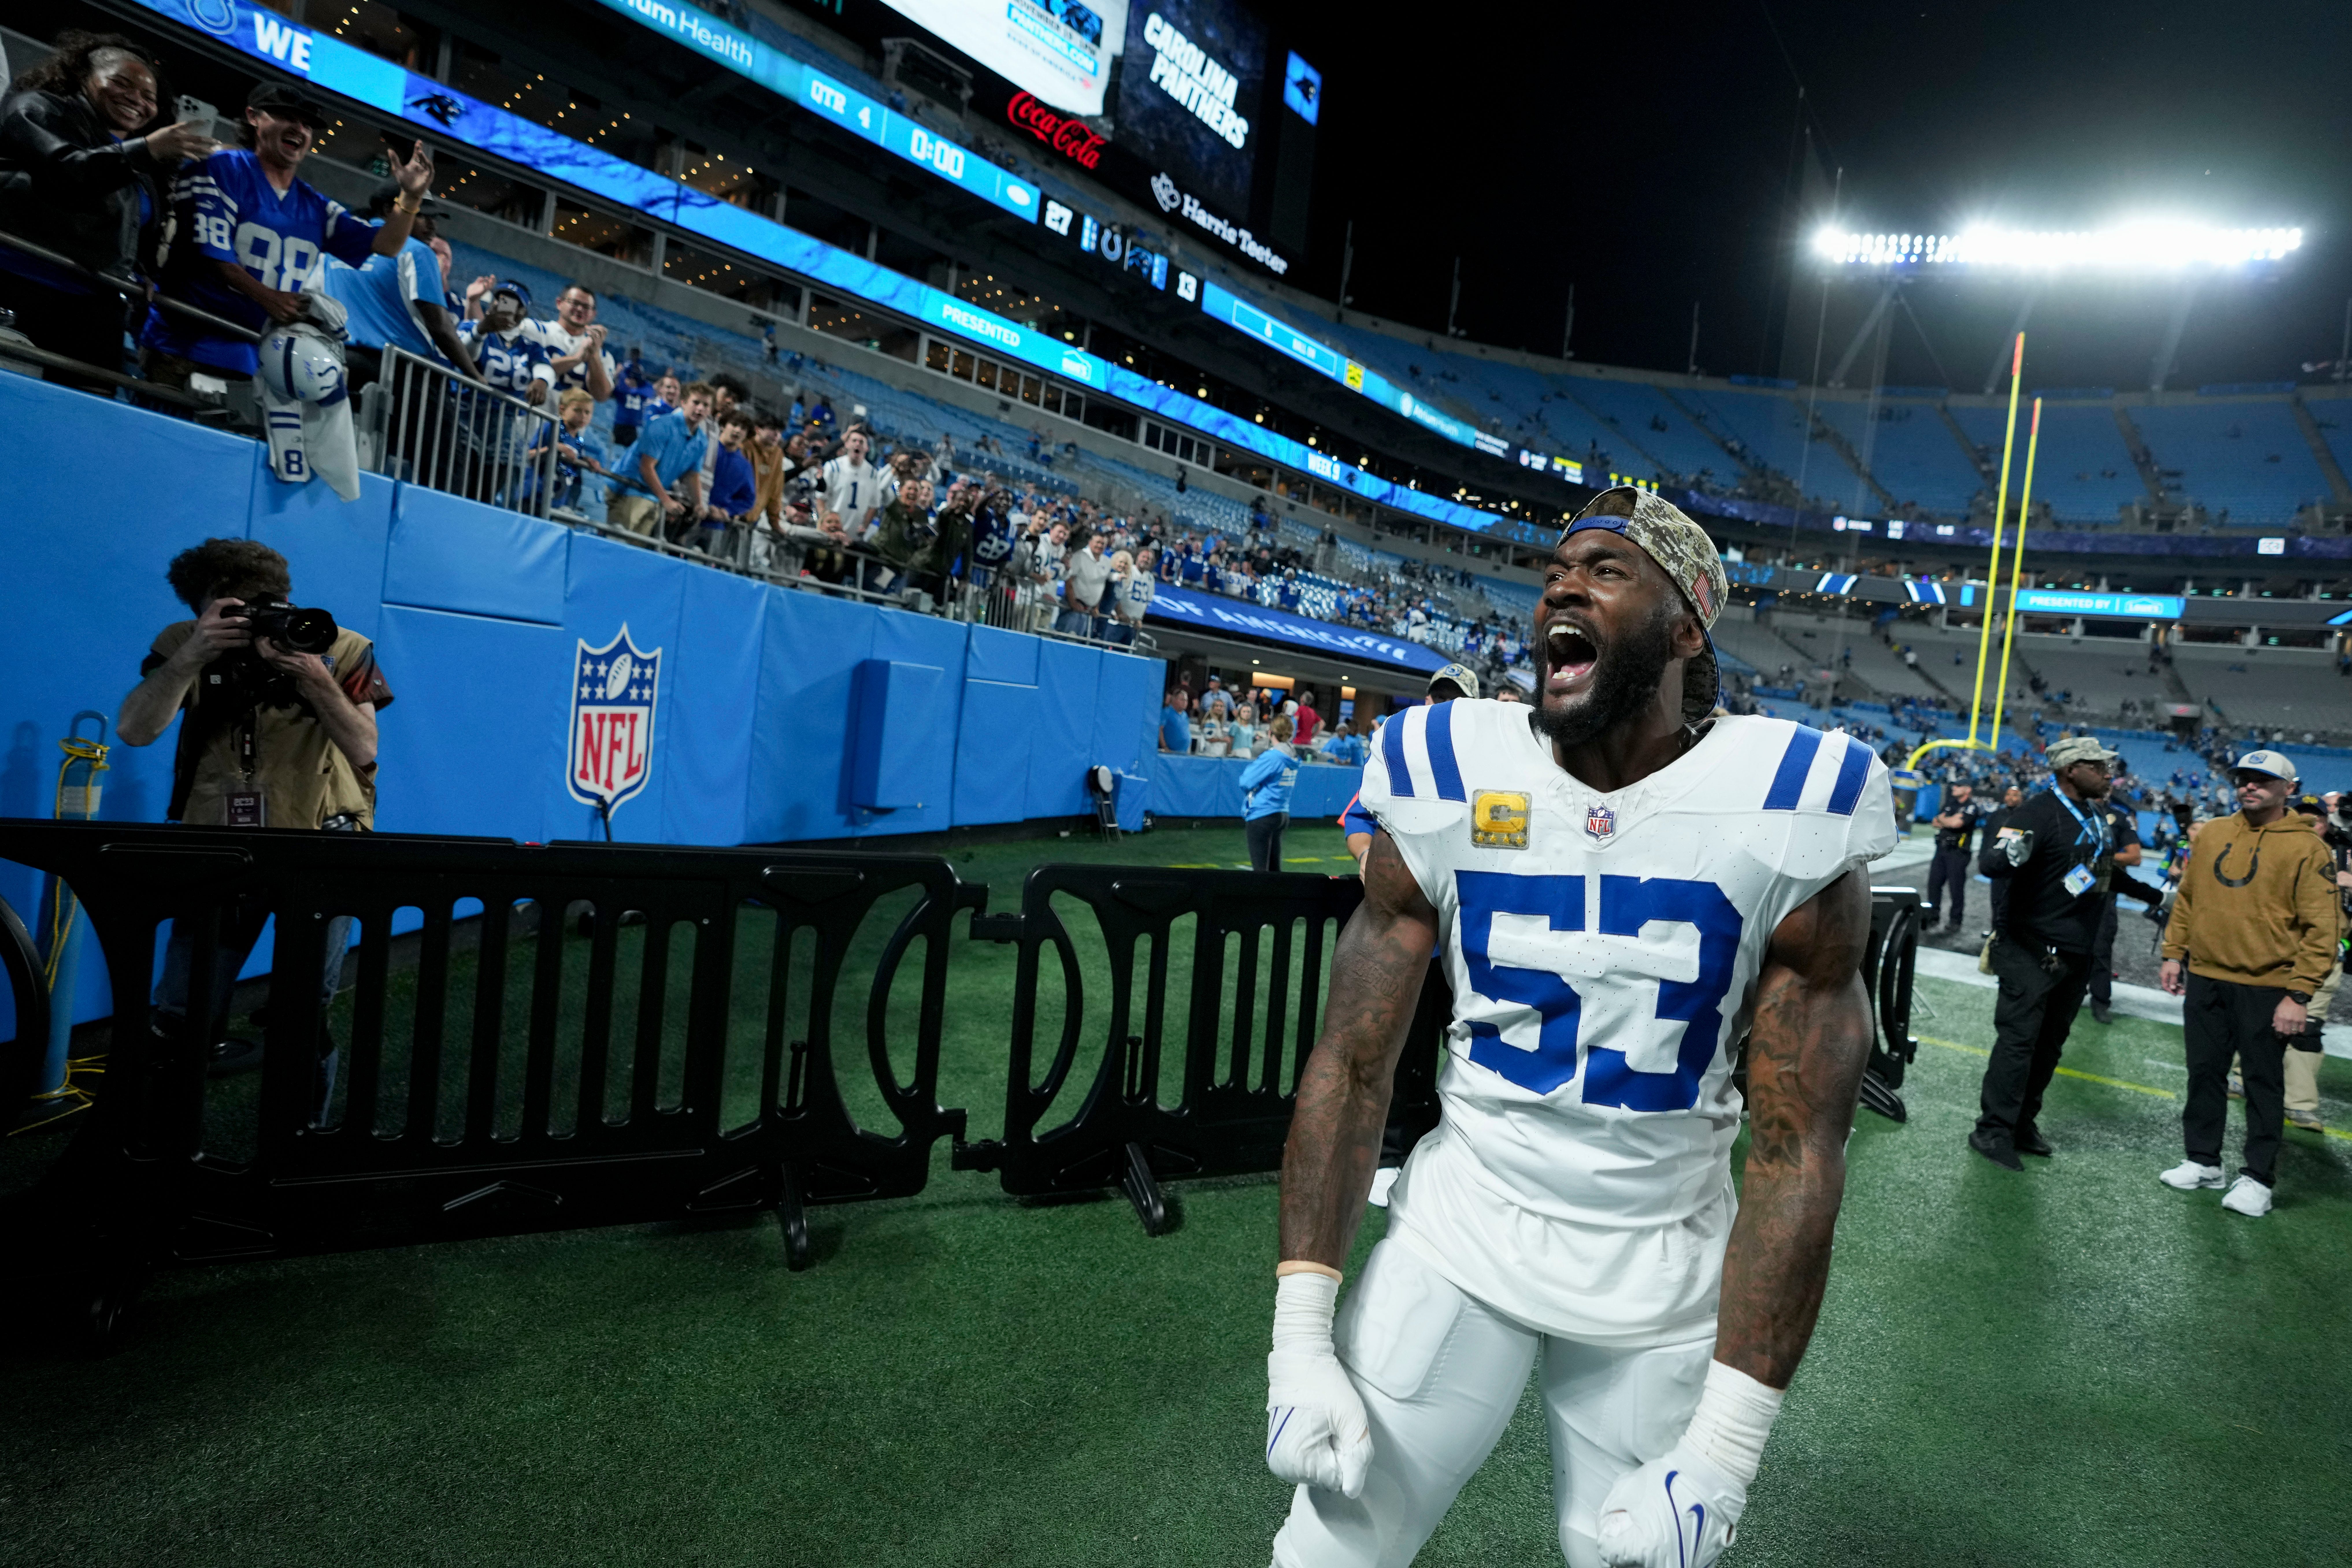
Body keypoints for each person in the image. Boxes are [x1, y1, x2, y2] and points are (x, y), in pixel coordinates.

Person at [1266, 488, 1887, 1568]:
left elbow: (1796, 1151)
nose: (1561, 582)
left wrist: (1728, 1450)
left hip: (1659, 1278)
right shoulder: (1445, 764)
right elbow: (1351, 1062)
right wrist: (1294, 1339)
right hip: (1457, 1237)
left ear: (1684, 626)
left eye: (1606, 569)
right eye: (1558, 566)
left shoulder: (1792, 796)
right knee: (1330, 1550)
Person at [114, 538, 391, 1095]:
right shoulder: (182, 643)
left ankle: (302, 1138)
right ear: (204, 608)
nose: (264, 618)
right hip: (217, 846)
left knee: (304, 1011)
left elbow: (366, 750)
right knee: (182, 1007)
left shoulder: (340, 645)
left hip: (319, 842)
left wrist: (314, 676)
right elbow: (134, 731)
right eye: (237, 609)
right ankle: (161, 1141)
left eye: (272, 602)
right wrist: (195, 654)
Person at [141, 80, 435, 389]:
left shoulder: (314, 204)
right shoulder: (218, 169)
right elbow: (212, 255)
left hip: (254, 359)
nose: (300, 129)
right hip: (183, 347)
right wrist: (269, 298)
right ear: (254, 118)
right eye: (287, 117)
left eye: (308, 124)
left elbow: (387, 245)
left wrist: (411, 198)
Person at [2157, 751, 2339, 1218]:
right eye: (2242, 779)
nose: (2248, 787)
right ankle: (2202, 1160)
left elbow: (2322, 928)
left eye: (2261, 780)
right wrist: (2173, 953)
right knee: (2203, 1073)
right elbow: (2188, 900)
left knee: (2261, 1083)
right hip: (2206, 976)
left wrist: (2298, 993)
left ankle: (2257, 1178)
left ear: (2287, 789)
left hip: (2267, 985)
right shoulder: (2215, 832)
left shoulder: (2307, 847)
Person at [0, 31, 212, 392]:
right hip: (21, 285)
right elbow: (69, 171)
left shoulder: (139, 161)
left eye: (150, 97)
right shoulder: (38, 107)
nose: (138, 100)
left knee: (83, 420)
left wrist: (142, 269)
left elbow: (137, 225)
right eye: (122, 83)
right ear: (84, 76)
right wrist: (145, 150)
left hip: (94, 306)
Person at [1968, 737, 2127, 1170]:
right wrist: (2010, 853)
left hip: (2075, 952)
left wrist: (2154, 898)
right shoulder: (2035, 811)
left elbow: (2103, 870)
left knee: (2050, 1045)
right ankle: (1992, 1130)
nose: (2107, 772)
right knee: (2018, 1044)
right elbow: (1991, 863)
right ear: (2070, 769)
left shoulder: (2095, 814)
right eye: (2097, 765)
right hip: (2030, 950)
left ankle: (2021, 1123)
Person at [316, 183, 478, 392]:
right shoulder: (418, 252)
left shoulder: (338, 248)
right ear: (388, 210)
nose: (432, 226)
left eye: (434, 218)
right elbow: (440, 326)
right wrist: (475, 376)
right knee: (442, 425)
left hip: (337, 364)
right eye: (422, 215)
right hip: (400, 375)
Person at [1340, 664, 1479, 873]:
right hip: (1401, 890)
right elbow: (1360, 819)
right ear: (1427, 701)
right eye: (1439, 697)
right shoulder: (1395, 751)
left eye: (1457, 699)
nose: (1445, 706)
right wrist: (1365, 856)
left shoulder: (1487, 758)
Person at [2284, 795, 2352, 1131]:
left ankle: (2300, 1104)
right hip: (2278, 951)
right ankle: (2240, 1077)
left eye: (2318, 818)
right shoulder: (2276, 850)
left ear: (2329, 823)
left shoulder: (2345, 858)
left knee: (2307, 1028)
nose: (2311, 824)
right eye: (2303, 816)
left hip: (2324, 956)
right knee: (2259, 1019)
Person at [605, 380, 712, 539]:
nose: (700, 408)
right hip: (628, 490)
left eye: (706, 405)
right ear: (683, 403)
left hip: (653, 497)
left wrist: (698, 504)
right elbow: (647, 467)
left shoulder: (702, 440)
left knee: (636, 555)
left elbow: (692, 474)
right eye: (696, 403)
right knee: (617, 547)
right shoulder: (662, 426)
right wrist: (666, 500)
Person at [2086, 769, 2146, 1024]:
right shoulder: (2069, 812)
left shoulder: (2119, 819)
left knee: (2100, 950)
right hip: (2067, 891)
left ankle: (2100, 1002)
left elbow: (2135, 856)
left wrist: (2100, 858)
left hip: (2103, 892)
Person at [525, 388, 611, 514]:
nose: (583, 416)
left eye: (588, 413)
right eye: (577, 411)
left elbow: (573, 458)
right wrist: (556, 447)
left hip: (557, 501)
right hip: (535, 497)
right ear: (562, 409)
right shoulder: (552, 427)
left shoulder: (578, 440)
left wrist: (586, 460)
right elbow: (529, 455)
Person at [526, 281, 614, 403]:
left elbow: (602, 396)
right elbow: (524, 367)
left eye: (586, 307)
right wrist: (576, 359)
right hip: (526, 416)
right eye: (575, 303)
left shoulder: (604, 356)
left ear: (594, 314)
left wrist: (594, 354)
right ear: (559, 303)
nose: (580, 309)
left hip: (566, 422)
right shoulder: (535, 329)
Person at [1240, 715, 1298, 870]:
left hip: (1263, 813)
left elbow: (1245, 782)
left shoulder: (1272, 757)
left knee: (1260, 870)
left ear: (1271, 732)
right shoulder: (1292, 756)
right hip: (1281, 812)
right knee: (1274, 870)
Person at [1925, 781, 1984, 934]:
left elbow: (1958, 824)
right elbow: (1935, 822)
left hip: (1958, 853)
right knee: (1934, 885)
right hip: (1942, 850)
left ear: (1968, 789)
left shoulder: (1971, 807)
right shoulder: (1950, 804)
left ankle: (1955, 921)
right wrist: (1949, 821)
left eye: (1958, 786)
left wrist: (1945, 820)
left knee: (1956, 888)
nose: (1954, 788)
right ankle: (1932, 917)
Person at [700, 410, 758, 558]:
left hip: (716, 526)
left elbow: (748, 499)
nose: (738, 431)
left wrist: (727, 511)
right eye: (734, 425)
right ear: (724, 426)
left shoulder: (745, 467)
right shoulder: (704, 448)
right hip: (691, 514)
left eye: (743, 429)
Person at [1061, 533, 1112, 638]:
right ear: (1090, 543)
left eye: (1103, 544)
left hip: (1089, 612)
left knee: (1080, 645)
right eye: (1098, 542)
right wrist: (1073, 603)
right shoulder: (1080, 556)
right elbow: (1069, 580)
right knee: (1064, 640)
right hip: (1073, 609)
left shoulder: (1107, 562)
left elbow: (1101, 586)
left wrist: (1096, 607)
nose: (1100, 546)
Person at [1108, 546, 1155, 645]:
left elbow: (1146, 602)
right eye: (1144, 557)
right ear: (1137, 557)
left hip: (1132, 625)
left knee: (1125, 654)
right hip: (1118, 622)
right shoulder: (1128, 571)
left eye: (1149, 559)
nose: (1146, 560)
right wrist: (1120, 614)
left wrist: (1139, 619)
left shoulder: (1150, 578)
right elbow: (1117, 594)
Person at [1160, 685, 1192, 755]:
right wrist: (1165, 747)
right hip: (1170, 753)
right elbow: (1160, 730)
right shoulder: (1167, 712)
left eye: (1186, 700)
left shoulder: (1185, 714)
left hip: (1184, 753)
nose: (1185, 702)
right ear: (1174, 699)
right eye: (1182, 700)